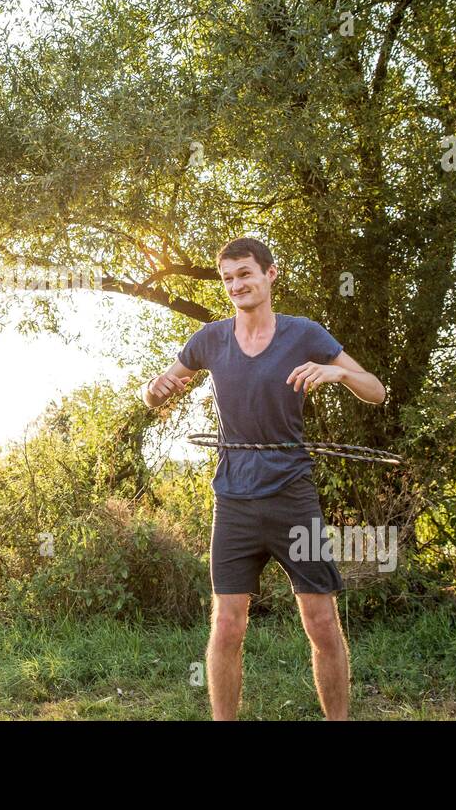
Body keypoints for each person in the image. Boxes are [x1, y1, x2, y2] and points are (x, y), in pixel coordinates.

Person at [141, 237, 386, 721]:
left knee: (320, 621)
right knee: (228, 625)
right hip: (232, 499)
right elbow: (155, 394)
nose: (237, 285)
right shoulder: (210, 338)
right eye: (228, 278)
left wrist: (336, 375)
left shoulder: (305, 335)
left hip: (293, 496)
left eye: (245, 274)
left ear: (270, 275)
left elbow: (375, 390)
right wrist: (154, 389)